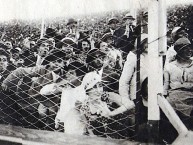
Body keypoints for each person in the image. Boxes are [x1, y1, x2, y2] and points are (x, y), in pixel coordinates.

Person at [2, 49, 67, 130]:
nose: (56, 64)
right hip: (38, 98)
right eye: (53, 61)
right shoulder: (42, 69)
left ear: (64, 63)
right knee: (41, 113)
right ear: (49, 62)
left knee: (54, 114)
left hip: (54, 100)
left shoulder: (65, 74)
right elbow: (20, 71)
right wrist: (6, 83)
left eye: (59, 61)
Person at [164, 38, 193, 119]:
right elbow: (165, 88)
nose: (190, 50)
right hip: (175, 98)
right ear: (179, 51)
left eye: (190, 48)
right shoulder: (169, 66)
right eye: (186, 48)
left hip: (191, 96)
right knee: (169, 104)